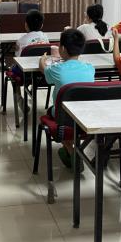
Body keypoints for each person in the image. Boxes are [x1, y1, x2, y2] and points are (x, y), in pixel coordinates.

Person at [39, 29, 95, 168]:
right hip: (85, 115)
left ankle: (70, 149)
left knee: (51, 112)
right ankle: (72, 149)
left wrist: (42, 60)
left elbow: (44, 70)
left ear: (62, 48)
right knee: (68, 120)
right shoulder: (90, 68)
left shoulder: (57, 69)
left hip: (63, 116)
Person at [9, 9, 50, 109]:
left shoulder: (21, 40)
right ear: (42, 25)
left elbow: (18, 60)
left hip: (25, 74)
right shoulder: (45, 37)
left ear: (26, 25)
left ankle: (19, 98)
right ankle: (32, 90)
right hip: (43, 73)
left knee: (12, 70)